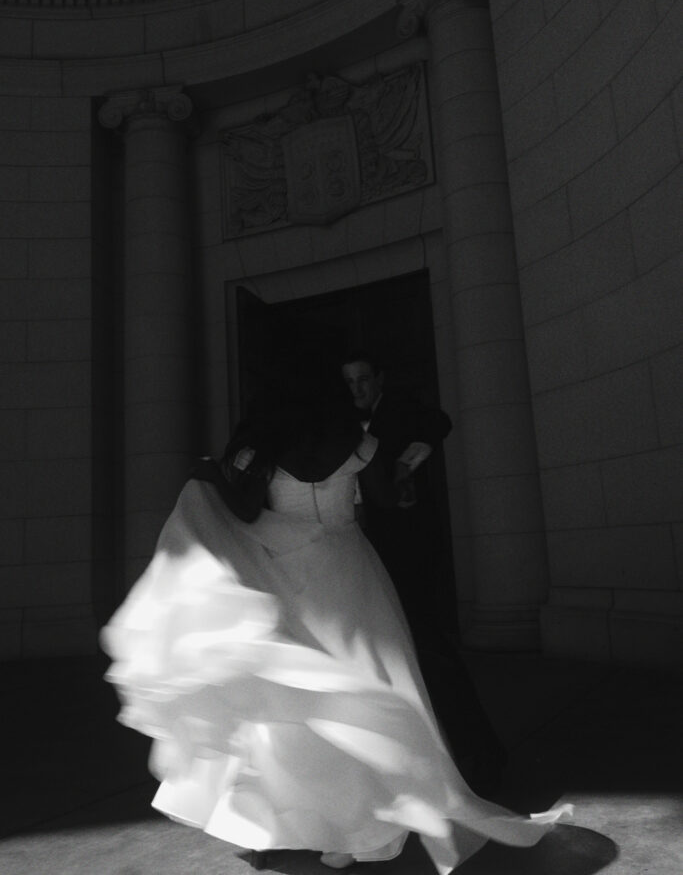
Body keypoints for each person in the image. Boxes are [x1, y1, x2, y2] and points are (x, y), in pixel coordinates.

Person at [101, 345, 570, 873]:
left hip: (290, 576)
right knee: (368, 687)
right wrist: (403, 470)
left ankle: (298, 822)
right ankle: (364, 830)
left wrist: (208, 475)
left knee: (300, 701)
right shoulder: (355, 441)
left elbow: (245, 509)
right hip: (352, 571)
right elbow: (387, 502)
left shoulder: (259, 444)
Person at [341, 350, 507, 795]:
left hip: (406, 547)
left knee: (428, 647)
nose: (355, 388)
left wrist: (405, 464)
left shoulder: (402, 409)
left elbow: (439, 423)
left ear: (379, 377)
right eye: (349, 381)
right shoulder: (340, 424)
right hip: (364, 552)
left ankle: (476, 755)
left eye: (361, 378)